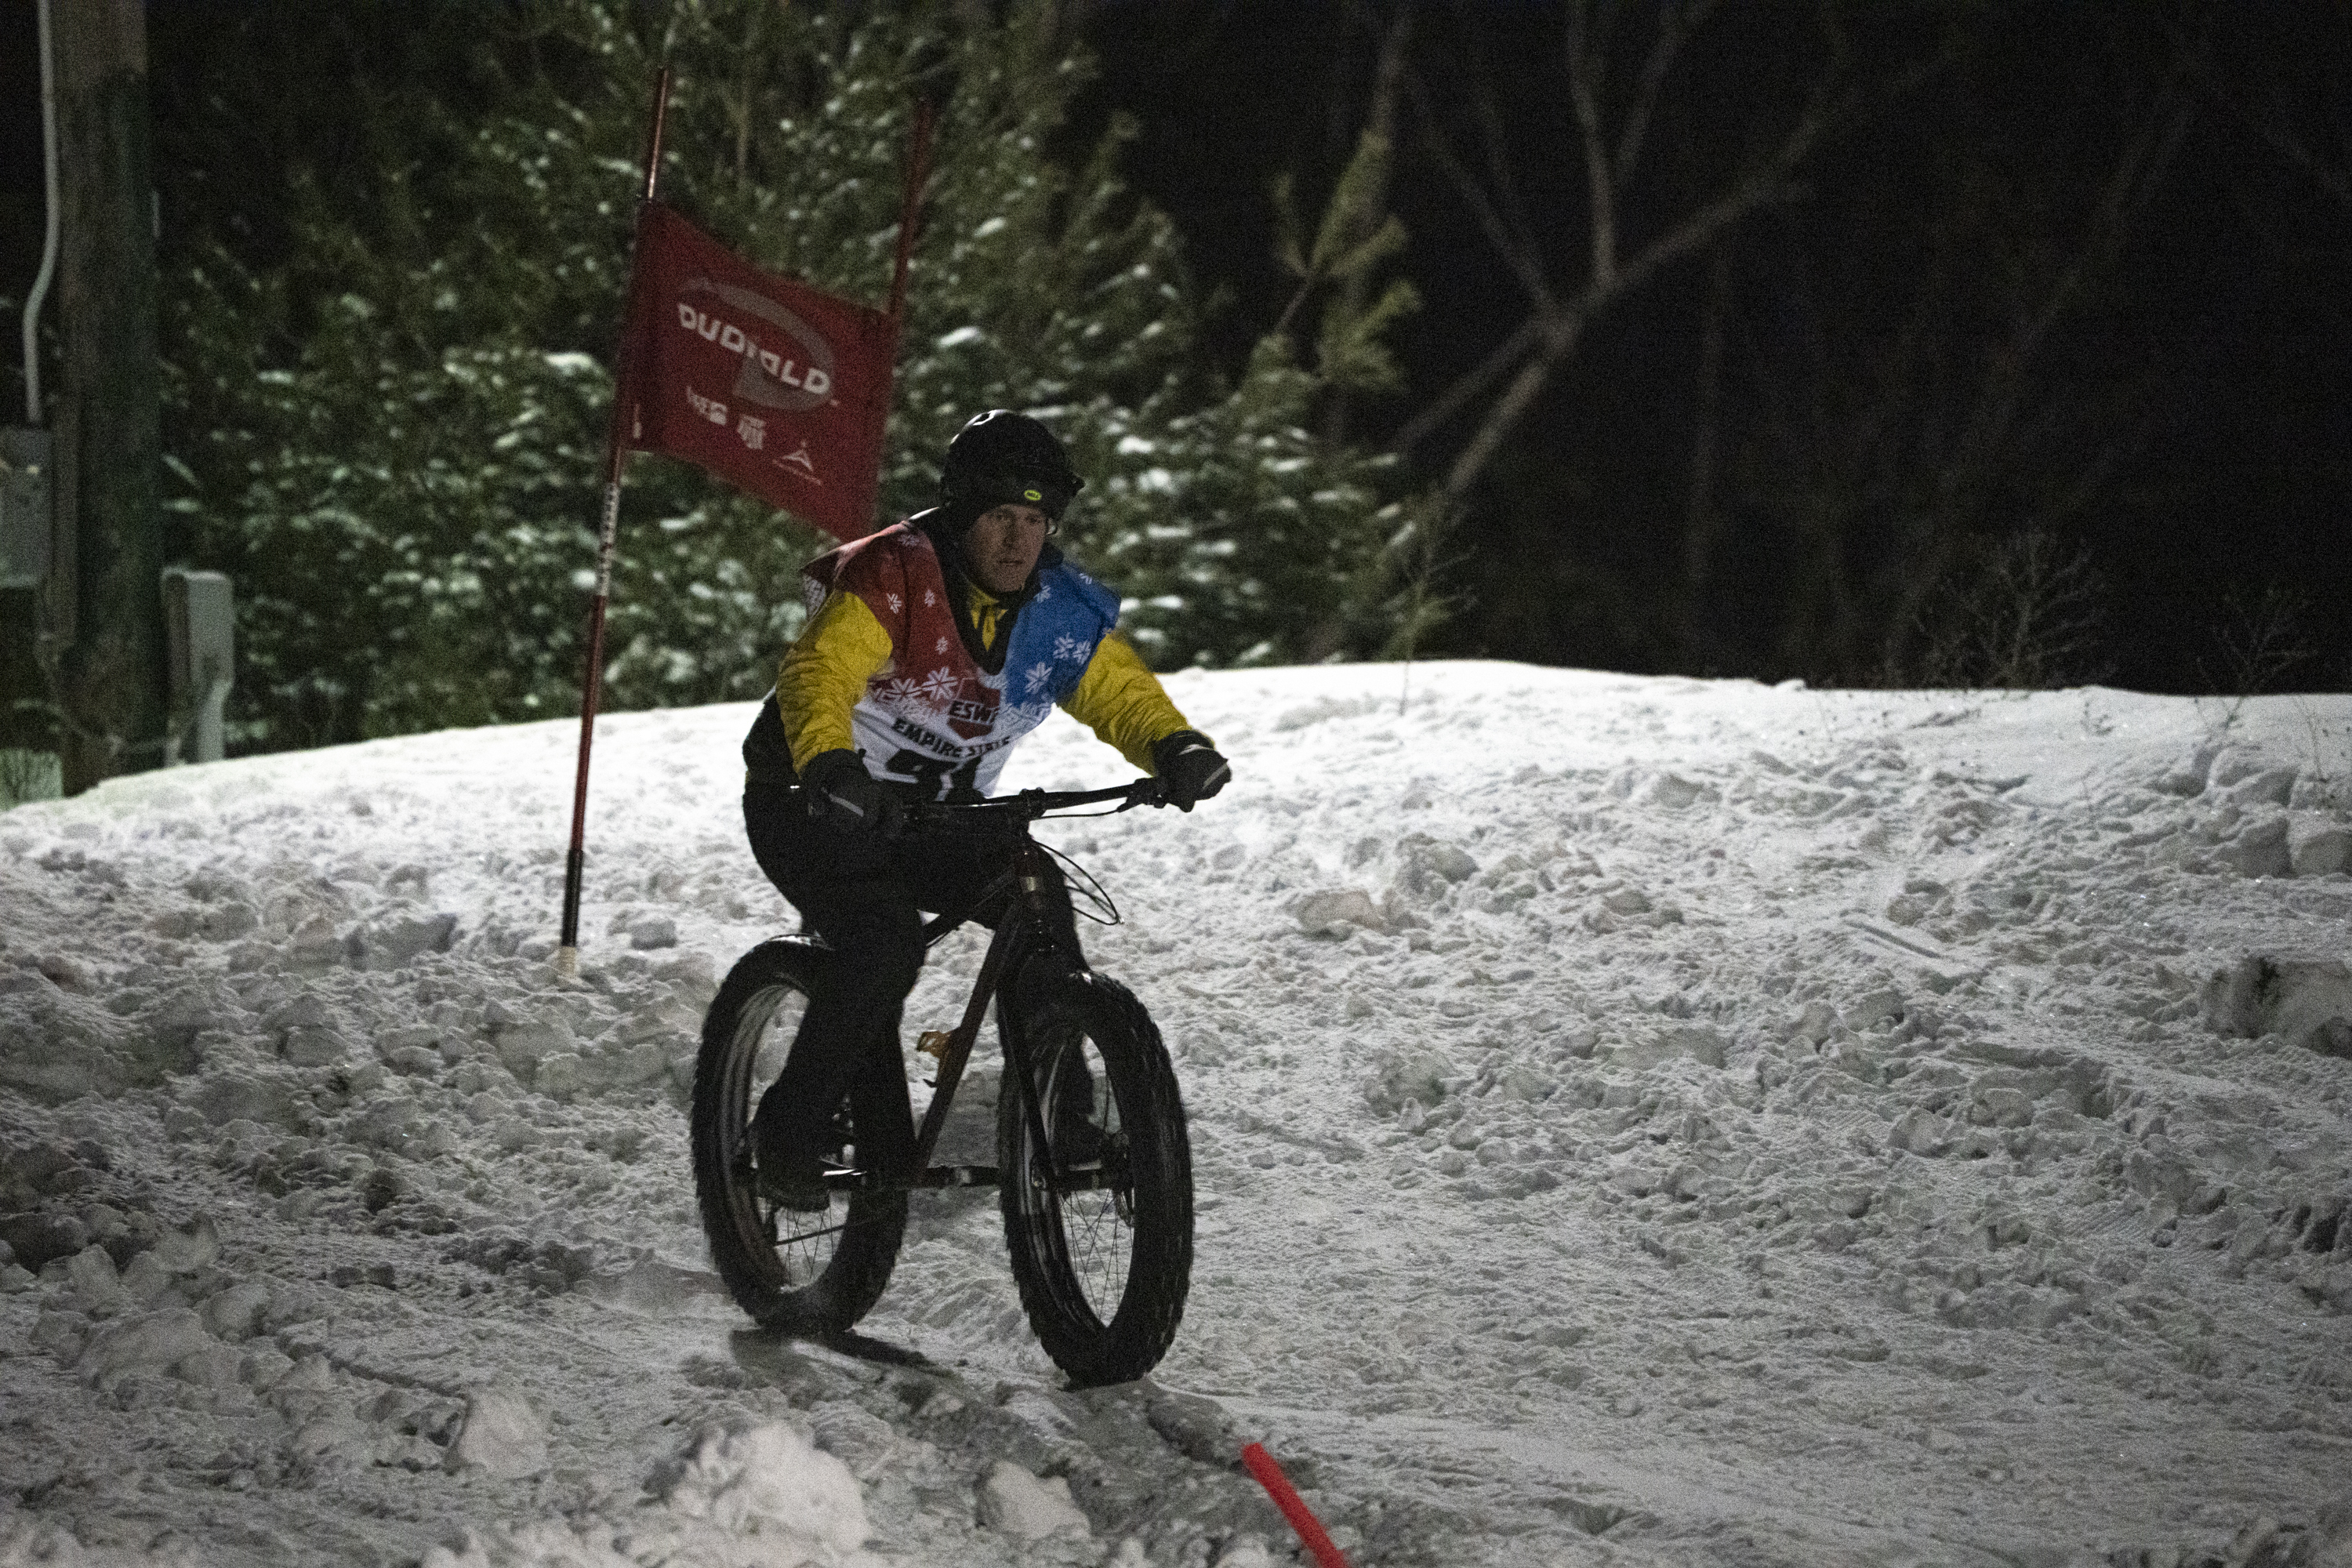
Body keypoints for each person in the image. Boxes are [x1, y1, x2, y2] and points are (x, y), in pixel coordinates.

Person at [739, 410, 1231, 1210]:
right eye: (1001, 516)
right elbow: (819, 672)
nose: (1017, 540)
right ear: (962, 514)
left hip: (937, 816)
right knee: (882, 940)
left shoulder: (1056, 611)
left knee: (1034, 898)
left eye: (1035, 521)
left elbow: (1116, 692)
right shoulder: (895, 576)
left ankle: (1061, 1114)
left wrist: (1175, 748)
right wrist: (830, 763)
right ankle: (787, 1131)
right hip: (813, 801)